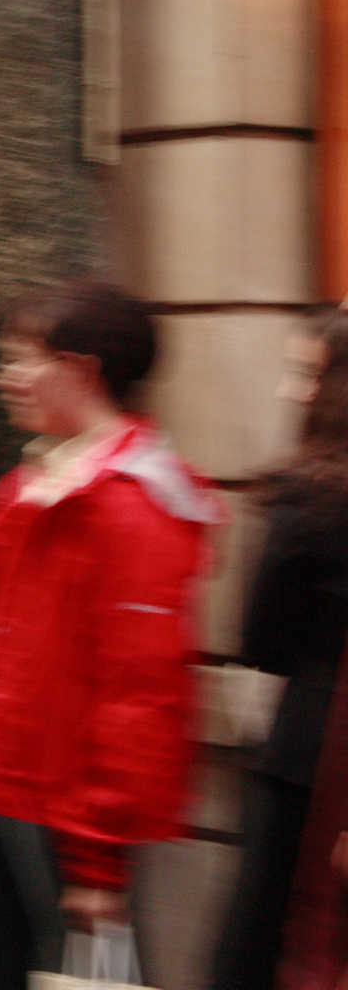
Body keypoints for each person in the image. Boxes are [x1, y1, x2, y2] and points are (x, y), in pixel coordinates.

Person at [0, 281, 222, 990]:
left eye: (21, 359)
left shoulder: (132, 503)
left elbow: (140, 695)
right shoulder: (44, 475)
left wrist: (98, 861)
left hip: (64, 806)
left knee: (77, 976)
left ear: (81, 370)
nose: (4, 377)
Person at [211, 310, 348, 990]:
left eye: (309, 374)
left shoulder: (309, 500)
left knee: (265, 937)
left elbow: (263, 638)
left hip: (311, 754)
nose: (292, 392)